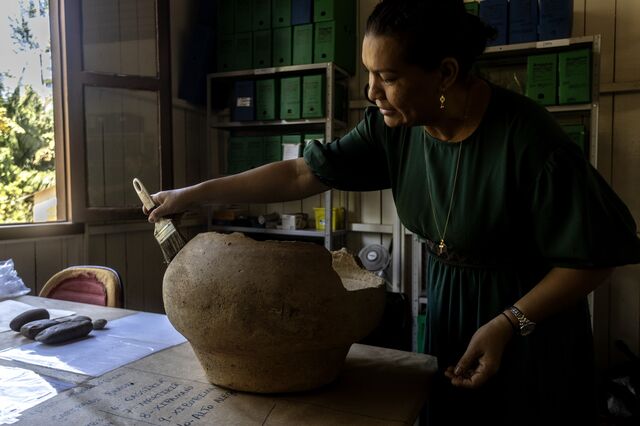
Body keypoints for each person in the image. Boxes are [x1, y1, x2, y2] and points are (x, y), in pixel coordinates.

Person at [148, 0, 640, 424]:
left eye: (388, 77)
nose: (371, 92)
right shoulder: (396, 128)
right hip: (453, 313)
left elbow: (596, 255)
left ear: (445, 73)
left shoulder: (530, 142)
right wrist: (194, 194)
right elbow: (303, 174)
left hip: (529, 329)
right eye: (369, 74)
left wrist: (509, 323)